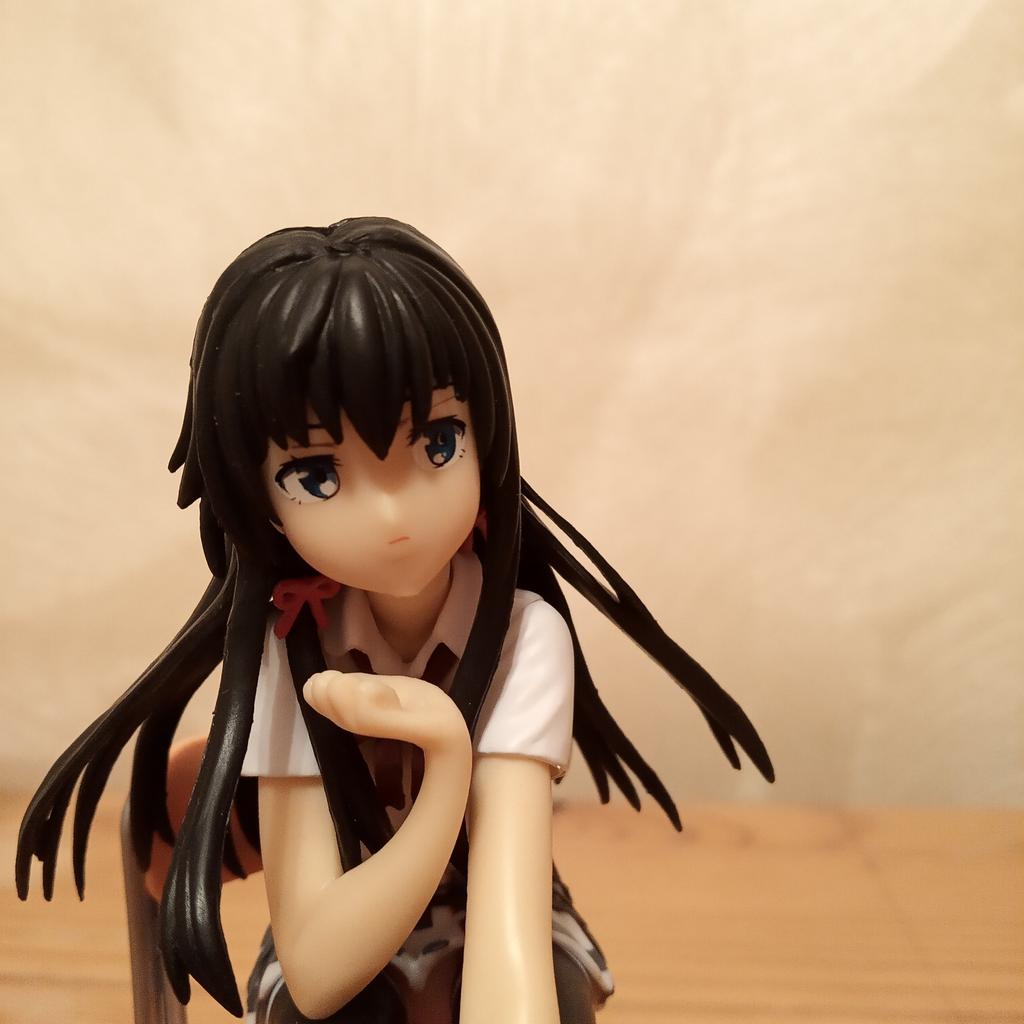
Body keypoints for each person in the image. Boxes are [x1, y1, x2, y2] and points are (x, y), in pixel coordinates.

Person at [17, 217, 774, 1023]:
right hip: (350, 926)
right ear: (257, 499)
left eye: (438, 443)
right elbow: (319, 968)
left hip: (492, 921)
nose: (390, 514)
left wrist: (449, 744)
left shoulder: (521, 638)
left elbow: (508, 939)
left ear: (488, 435)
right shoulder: (293, 649)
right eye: (317, 474)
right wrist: (445, 772)